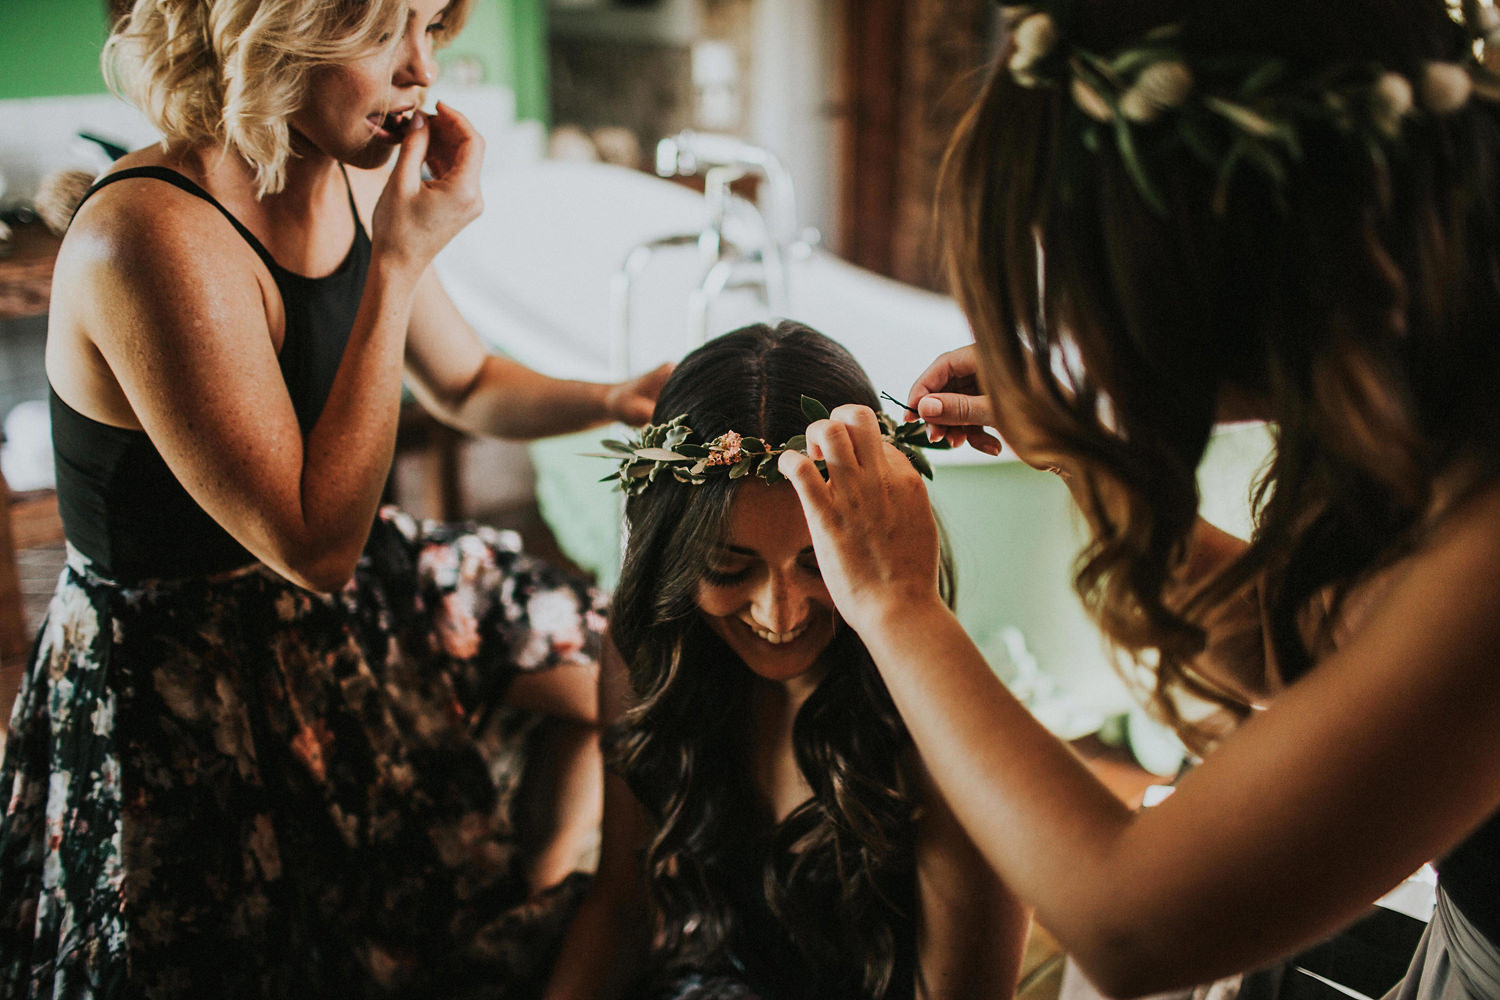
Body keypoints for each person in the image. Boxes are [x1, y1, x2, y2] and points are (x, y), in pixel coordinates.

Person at [773, 2, 1500, 998]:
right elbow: (1324, 653)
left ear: (1227, 260)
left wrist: (898, 605)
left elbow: (1132, 926)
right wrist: (1086, 459)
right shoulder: (1445, 389)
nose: (1074, 322)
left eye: (1076, 270)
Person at [0, 0, 669, 995]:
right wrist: (397, 261)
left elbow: (466, 382)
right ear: (263, 30)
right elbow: (312, 545)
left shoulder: (346, 175)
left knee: (617, 659)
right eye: (376, 30)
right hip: (182, 666)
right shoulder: (146, 234)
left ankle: (532, 906)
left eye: (432, 26)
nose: (419, 71)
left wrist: (614, 395)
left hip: (332, 591)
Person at [543, 321, 1028, 1000]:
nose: (780, 613)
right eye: (727, 567)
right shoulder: (650, 652)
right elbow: (623, 909)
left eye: (818, 563)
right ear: (673, 557)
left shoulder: (947, 726)